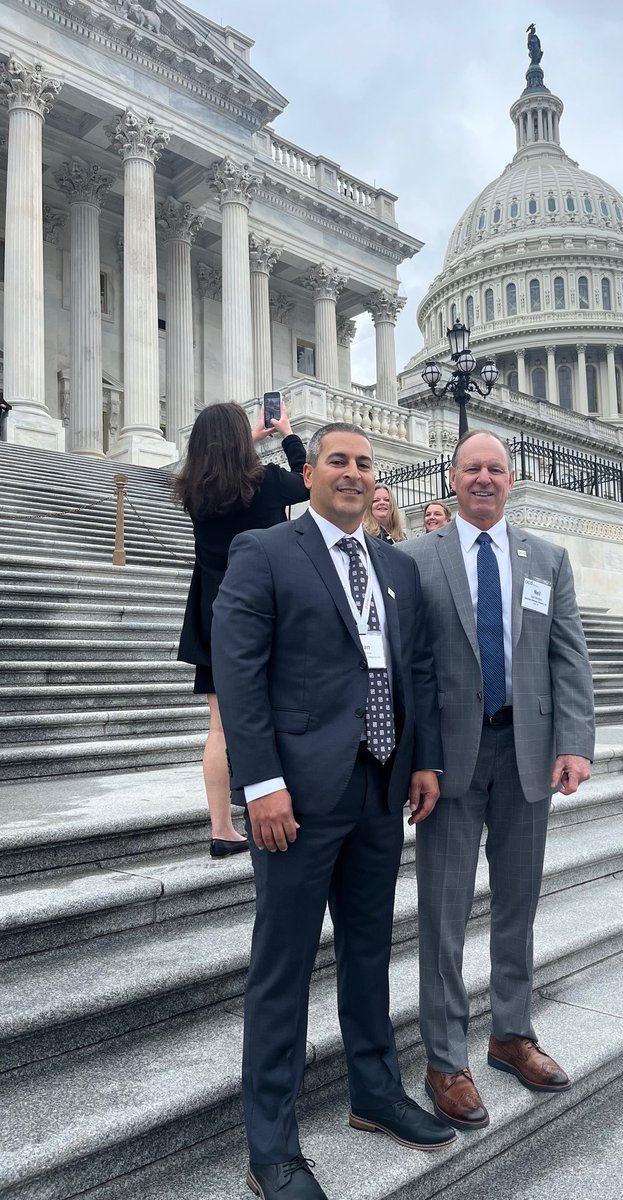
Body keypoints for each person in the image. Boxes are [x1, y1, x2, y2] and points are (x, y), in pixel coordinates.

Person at [211, 422, 454, 1200]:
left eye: (364, 463)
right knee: (282, 968)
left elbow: (414, 667)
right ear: (309, 473)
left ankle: (375, 1093)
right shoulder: (265, 552)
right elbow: (238, 672)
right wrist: (260, 785)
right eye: (338, 461)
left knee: (369, 949)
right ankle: (272, 1147)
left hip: (380, 787)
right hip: (297, 796)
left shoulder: (394, 566)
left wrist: (423, 760)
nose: (353, 472)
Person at [399, 429, 595, 1132]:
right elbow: (405, 666)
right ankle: (445, 1060)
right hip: (448, 761)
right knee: (444, 914)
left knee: (518, 905)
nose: (484, 478)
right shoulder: (414, 558)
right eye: (471, 468)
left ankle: (511, 1034)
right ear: (452, 479)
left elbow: (568, 656)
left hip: (527, 753)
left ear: (511, 480)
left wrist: (574, 742)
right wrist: (414, 757)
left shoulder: (546, 558)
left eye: (496, 469)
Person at [174, 400, 309, 858]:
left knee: (219, 727)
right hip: (266, 608)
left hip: (213, 612)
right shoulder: (266, 483)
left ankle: (221, 828)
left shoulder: (194, 490)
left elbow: (216, 463)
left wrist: (244, 438)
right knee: (277, 711)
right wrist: (286, 434)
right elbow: (308, 480)